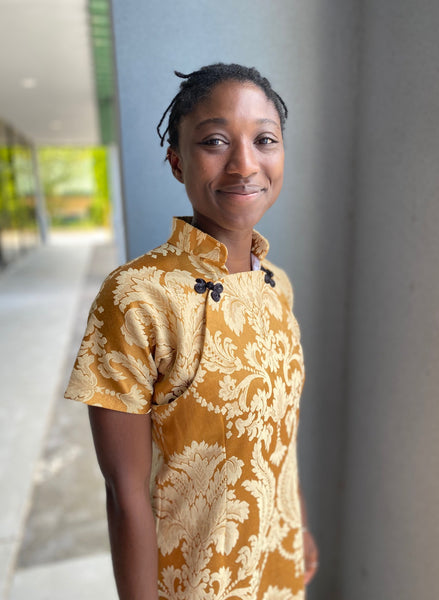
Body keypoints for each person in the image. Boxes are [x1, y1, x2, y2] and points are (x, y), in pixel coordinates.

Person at [65, 63, 318, 600]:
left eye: (264, 139)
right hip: (195, 580)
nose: (244, 163)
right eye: (215, 141)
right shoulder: (136, 297)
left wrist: (295, 525)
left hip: (277, 567)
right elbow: (125, 491)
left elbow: (278, 436)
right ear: (178, 162)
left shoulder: (278, 283)